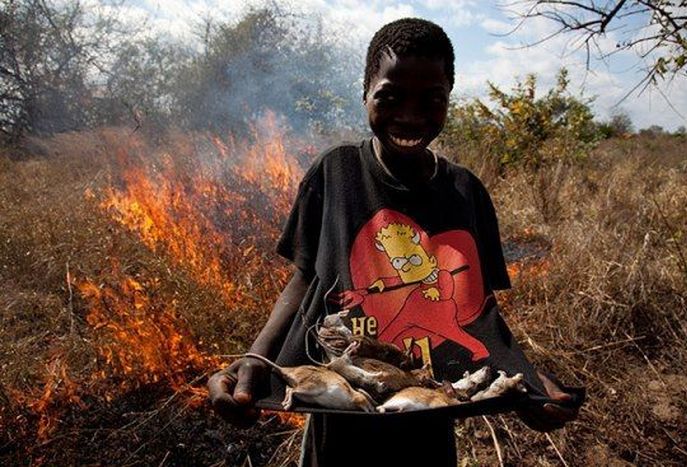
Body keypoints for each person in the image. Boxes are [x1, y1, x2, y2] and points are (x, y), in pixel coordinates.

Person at [208, 17, 581, 467]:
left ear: (449, 99)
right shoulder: (335, 174)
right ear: (365, 91)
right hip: (338, 416)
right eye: (390, 95)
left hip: (430, 416)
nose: (410, 114)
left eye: (432, 99)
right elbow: (304, 279)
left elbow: (480, 313)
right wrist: (255, 359)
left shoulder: (466, 192)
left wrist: (525, 382)